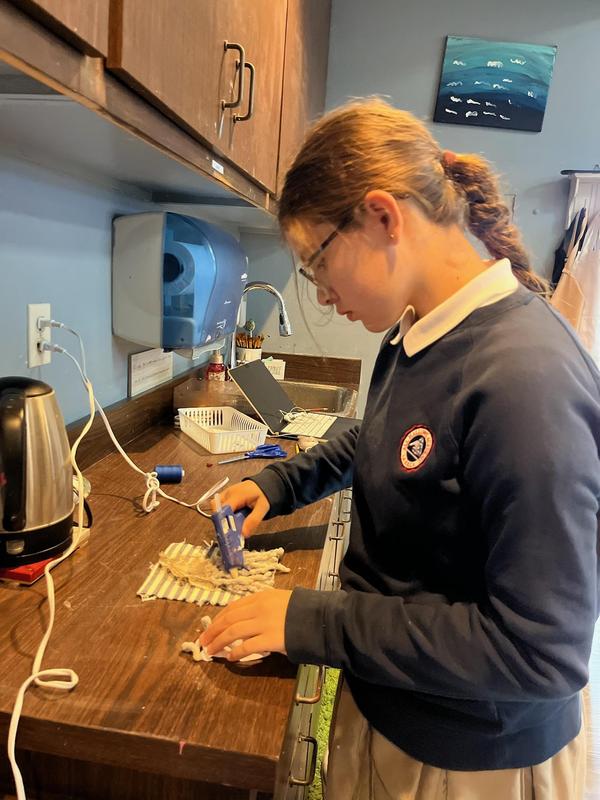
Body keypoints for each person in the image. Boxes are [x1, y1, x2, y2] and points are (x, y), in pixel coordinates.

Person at [200, 98, 600, 799]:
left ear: (384, 217)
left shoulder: (524, 378)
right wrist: (279, 484)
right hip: (401, 709)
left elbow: (540, 652)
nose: (322, 296)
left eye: (318, 262)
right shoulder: (421, 333)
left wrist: (311, 621)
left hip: (472, 760)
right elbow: (385, 438)